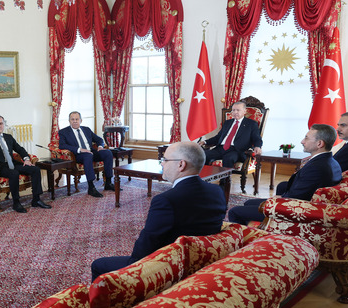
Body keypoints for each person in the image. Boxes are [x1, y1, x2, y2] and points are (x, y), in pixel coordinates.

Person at [90, 141, 226, 281]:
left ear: (181, 164)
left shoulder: (166, 200)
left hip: (167, 268)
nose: (162, 164)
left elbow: (144, 249)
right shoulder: (216, 191)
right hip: (203, 263)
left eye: (165, 160)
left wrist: (134, 263)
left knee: (98, 265)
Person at [228, 124, 342, 226]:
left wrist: (279, 200)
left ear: (319, 143)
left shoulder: (317, 167)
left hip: (291, 211)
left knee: (234, 212)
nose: (302, 141)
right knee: (248, 203)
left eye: (306, 138)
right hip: (299, 204)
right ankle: (258, 230)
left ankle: (243, 237)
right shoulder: (330, 161)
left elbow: (296, 198)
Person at [0, 115, 51, 213]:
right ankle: (16, 202)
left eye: (1, 123)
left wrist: (26, 159)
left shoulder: (8, 137)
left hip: (13, 163)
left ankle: (36, 199)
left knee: (35, 169)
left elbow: (19, 149)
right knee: (14, 173)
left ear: (4, 124)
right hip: (0, 167)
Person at [58, 111, 115, 197]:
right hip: (78, 155)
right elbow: (62, 145)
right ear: (69, 121)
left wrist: (100, 146)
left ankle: (108, 183)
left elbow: (99, 139)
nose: (75, 121)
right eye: (72, 119)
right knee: (88, 156)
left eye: (77, 119)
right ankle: (91, 187)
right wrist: (79, 149)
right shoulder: (63, 132)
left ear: (81, 120)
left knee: (108, 153)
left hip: (91, 152)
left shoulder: (86, 129)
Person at [202, 101, 262, 167]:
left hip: (237, 150)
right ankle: (205, 173)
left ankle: (227, 174)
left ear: (244, 111)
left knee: (228, 158)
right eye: (233, 110)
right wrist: (205, 142)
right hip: (221, 148)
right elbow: (218, 137)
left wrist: (257, 146)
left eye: (238, 110)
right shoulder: (227, 122)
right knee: (203, 155)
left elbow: (257, 138)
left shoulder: (251, 124)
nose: (235, 112)